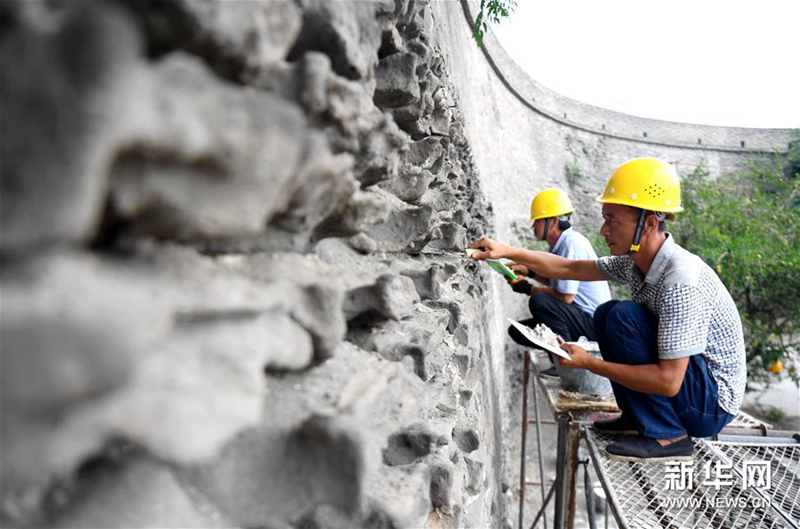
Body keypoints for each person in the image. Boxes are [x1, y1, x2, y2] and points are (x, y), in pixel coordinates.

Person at [470, 158, 746, 461]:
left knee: (623, 317)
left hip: (710, 405)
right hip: (691, 386)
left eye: (612, 219)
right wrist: (507, 251)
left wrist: (590, 363)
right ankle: (637, 418)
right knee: (608, 314)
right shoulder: (635, 263)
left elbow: (669, 381)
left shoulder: (680, 280)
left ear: (649, 223)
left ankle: (671, 437)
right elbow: (569, 268)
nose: (603, 230)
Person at [506, 189, 611, 376]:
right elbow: (558, 282)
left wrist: (529, 289)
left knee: (539, 302)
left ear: (553, 221)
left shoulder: (571, 244)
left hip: (593, 326)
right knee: (517, 331)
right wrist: (529, 272)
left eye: (537, 221)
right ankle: (560, 356)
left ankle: (565, 361)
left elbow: (566, 297)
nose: (533, 227)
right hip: (579, 319)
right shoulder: (563, 244)